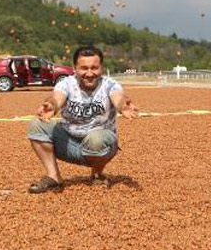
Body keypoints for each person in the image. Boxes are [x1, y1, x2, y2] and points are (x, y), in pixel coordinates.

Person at [27, 46, 139, 193]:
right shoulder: (66, 83)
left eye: (94, 68)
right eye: (84, 68)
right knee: (37, 124)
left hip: (100, 146)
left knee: (96, 138)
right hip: (69, 143)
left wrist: (122, 105)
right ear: (75, 68)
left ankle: (97, 174)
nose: (89, 73)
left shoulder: (110, 85)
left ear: (101, 68)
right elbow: (57, 97)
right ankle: (53, 176)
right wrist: (52, 106)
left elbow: (118, 96)